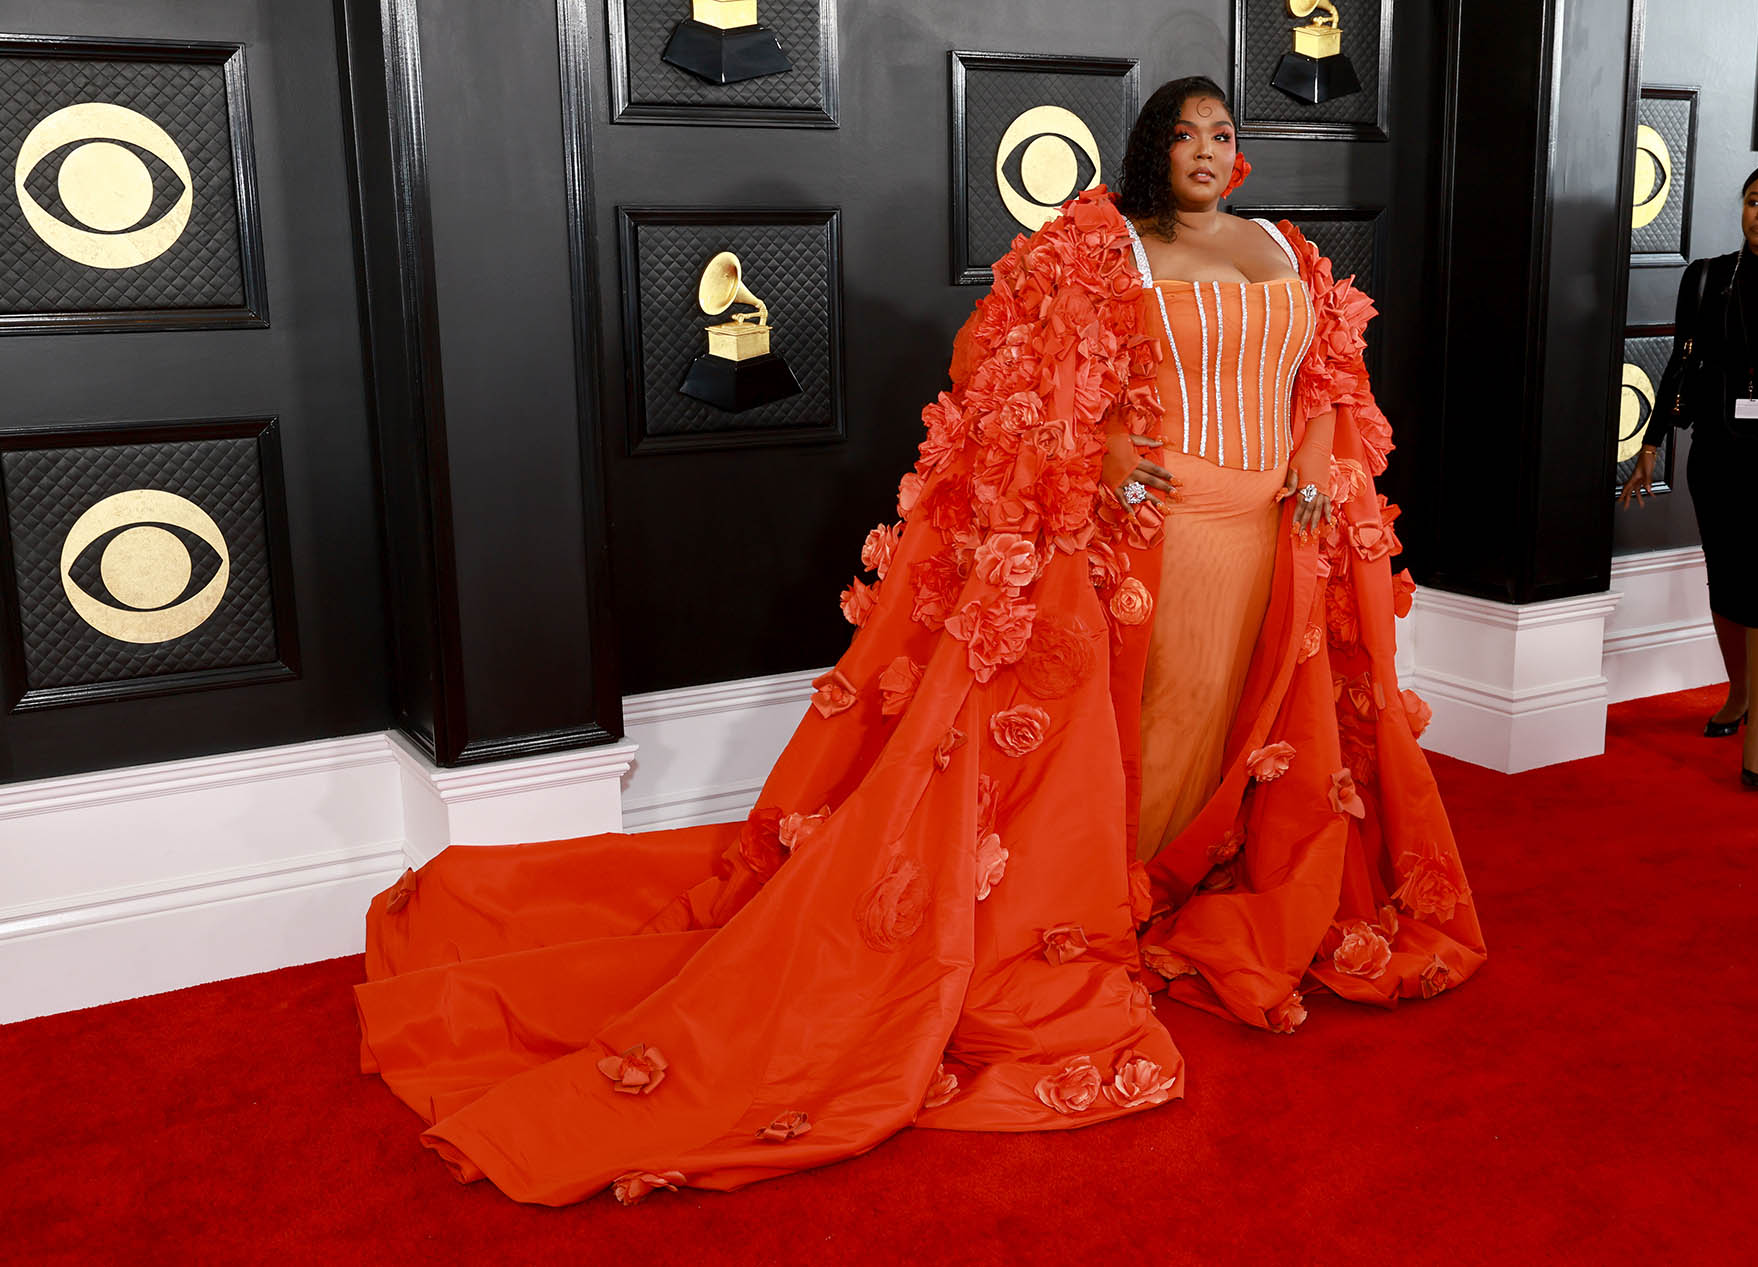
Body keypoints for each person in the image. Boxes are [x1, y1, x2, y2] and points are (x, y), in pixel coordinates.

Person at [353, 76, 1483, 1208]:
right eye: (1181, 133)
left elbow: (1329, 372)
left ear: (1238, 152)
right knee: (1127, 733)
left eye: (1221, 133)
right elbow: (998, 378)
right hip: (1152, 541)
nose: (1204, 149)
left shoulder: (1284, 250)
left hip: (1269, 540)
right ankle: (1092, 899)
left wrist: (1315, 460)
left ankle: (1162, 879)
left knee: (1229, 721)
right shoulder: (1097, 248)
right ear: (1151, 151)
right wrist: (1089, 461)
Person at [1620, 161, 1758, 789]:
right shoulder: (1707, 278)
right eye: (1754, 201)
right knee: (1726, 579)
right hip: (1717, 452)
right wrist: (1652, 441)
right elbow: (1680, 364)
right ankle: (1740, 693)